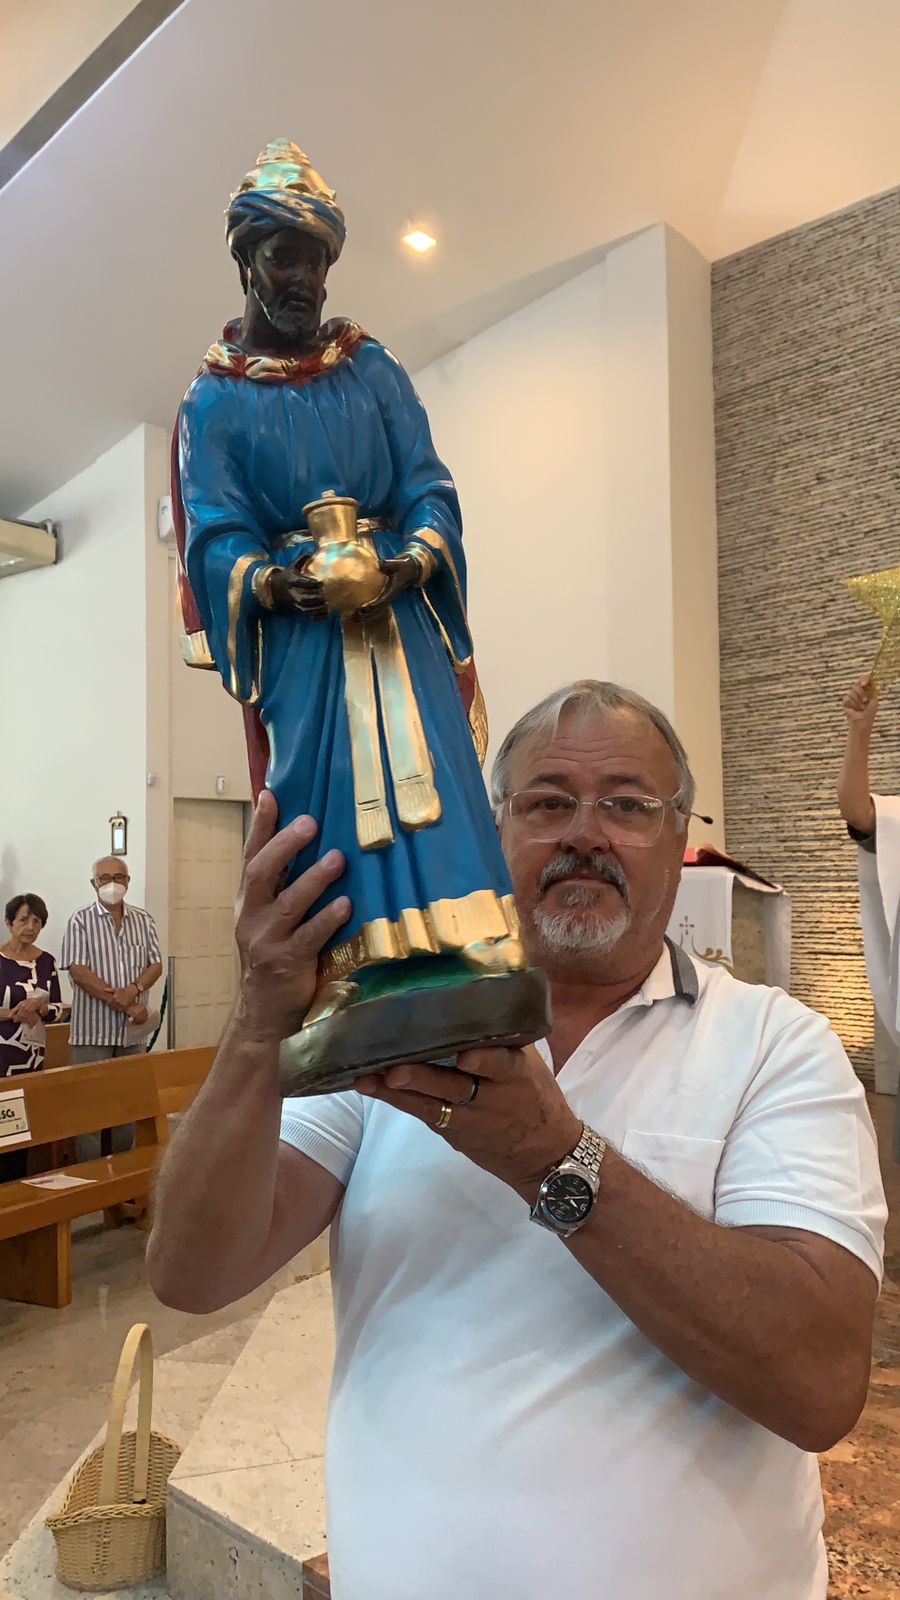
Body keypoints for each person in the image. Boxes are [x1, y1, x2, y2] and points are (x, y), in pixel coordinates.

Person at [147, 680, 886, 1600]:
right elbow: (192, 1273)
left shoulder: (777, 1045)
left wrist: (552, 1158)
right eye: (546, 803)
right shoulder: (389, 1034)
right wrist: (262, 1015)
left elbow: (819, 1385)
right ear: (490, 832)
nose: (585, 832)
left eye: (627, 804)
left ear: (679, 838)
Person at [173, 138, 523, 1084]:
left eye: (316, 260)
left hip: (396, 613)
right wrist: (277, 584)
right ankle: (344, 968)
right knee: (325, 791)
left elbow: (428, 486)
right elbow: (214, 528)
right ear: (247, 262)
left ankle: (471, 945)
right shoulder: (213, 401)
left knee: (431, 768)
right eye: (284, 257)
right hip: (304, 640)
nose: (303, 279)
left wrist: (408, 562)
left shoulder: (372, 370)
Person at [60, 858, 162, 1158]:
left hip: (133, 1034)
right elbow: (79, 972)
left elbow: (155, 965)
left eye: (118, 877)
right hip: (92, 1032)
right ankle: (90, 1176)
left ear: (128, 881)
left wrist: (134, 990)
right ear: (94, 883)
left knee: (127, 1107)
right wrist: (122, 1004)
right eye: (104, 878)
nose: (111, 883)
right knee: (89, 1111)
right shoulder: (80, 920)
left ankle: (121, 1173)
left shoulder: (143, 919)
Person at [0, 893, 65, 1182]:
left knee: (20, 1130)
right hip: (2, 1055)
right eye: (23, 920)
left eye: (37, 921)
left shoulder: (46, 962)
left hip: (30, 1057)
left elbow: (58, 1010)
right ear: (8, 922)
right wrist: (14, 1013)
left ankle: (17, 1193)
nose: (30, 927)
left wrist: (40, 1007)